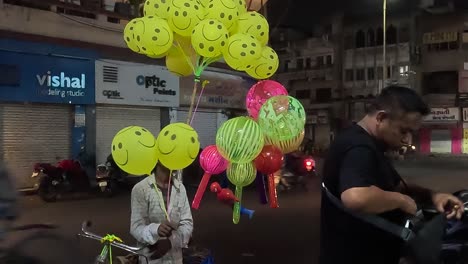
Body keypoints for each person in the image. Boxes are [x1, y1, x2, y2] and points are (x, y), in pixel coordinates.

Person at [319, 86, 464, 264]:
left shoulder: (368, 143)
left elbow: (395, 186)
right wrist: (401, 201)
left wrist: (434, 196)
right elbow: (356, 197)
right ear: (381, 118)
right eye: (403, 130)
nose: (407, 139)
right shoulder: (359, 147)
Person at [130, 162, 193, 264]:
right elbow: (136, 227)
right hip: (151, 259)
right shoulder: (141, 189)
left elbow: (188, 224)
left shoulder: (180, 188)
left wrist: (170, 242)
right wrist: (156, 230)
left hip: (175, 259)